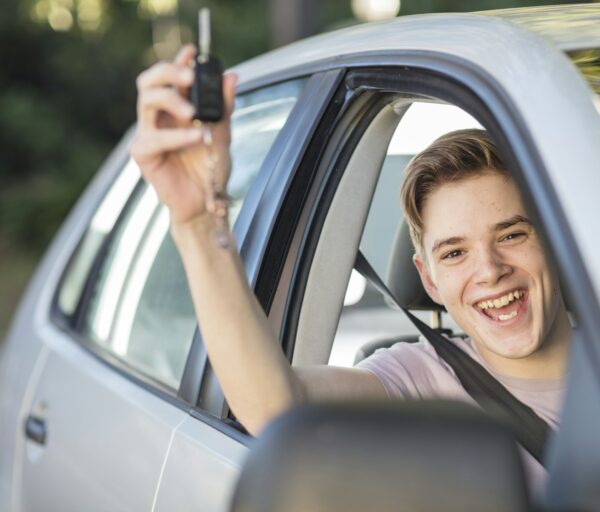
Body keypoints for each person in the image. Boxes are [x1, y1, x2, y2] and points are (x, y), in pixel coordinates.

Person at [131, 46, 571, 487]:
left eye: (511, 235)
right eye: (454, 253)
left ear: (554, 241)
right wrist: (197, 224)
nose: (490, 271)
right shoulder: (419, 379)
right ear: (429, 280)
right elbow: (276, 405)